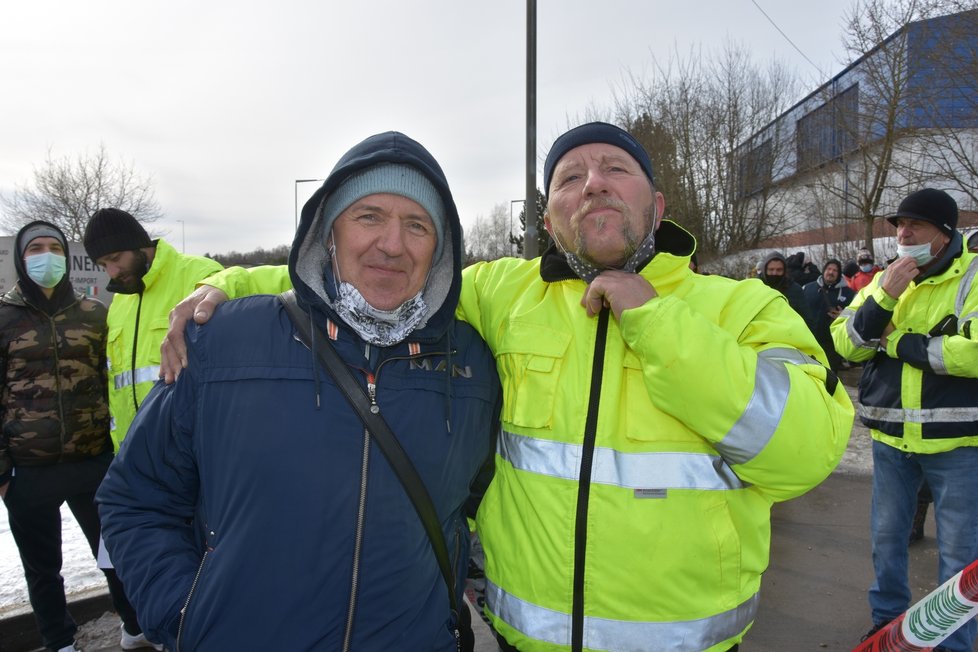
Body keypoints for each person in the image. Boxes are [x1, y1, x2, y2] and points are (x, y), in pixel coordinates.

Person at [161, 122, 853, 651]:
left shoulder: (742, 309)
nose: (594, 183)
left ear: (658, 201)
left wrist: (655, 320)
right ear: (549, 218)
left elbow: (800, 456)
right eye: (570, 177)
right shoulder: (501, 294)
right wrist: (223, 284)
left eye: (616, 169)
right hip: (526, 642)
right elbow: (368, 282)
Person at [96, 132, 501, 650]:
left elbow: (466, 510)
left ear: (440, 248)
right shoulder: (225, 340)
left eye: (417, 225)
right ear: (327, 231)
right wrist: (184, 613)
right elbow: (136, 497)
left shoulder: (470, 366)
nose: (393, 244)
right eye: (369, 216)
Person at [831, 188, 978, 652]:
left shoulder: (972, 277)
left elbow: (971, 352)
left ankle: (952, 642)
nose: (903, 233)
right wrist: (883, 301)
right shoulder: (888, 278)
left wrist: (896, 343)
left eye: (915, 225)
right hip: (892, 437)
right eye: (898, 225)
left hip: (957, 441)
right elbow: (845, 343)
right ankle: (887, 626)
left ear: (945, 234)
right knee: (886, 539)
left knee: (958, 554)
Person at [0, 222, 157, 652]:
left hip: (93, 462)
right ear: (20, 257)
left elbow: (114, 380)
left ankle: (135, 626)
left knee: (115, 556)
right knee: (42, 569)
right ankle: (59, 640)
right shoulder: (4, 318)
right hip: (29, 470)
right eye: (36, 248)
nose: (46, 255)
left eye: (54, 247)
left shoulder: (94, 314)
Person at [82, 209, 222, 449]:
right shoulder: (119, 302)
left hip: (190, 452)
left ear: (139, 244)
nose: (112, 272)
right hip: (131, 454)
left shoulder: (202, 276)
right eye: (103, 264)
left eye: (115, 258)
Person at [802, 259, 855, 372]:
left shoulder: (849, 294)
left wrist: (844, 316)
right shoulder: (807, 289)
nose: (831, 272)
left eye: (835, 270)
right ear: (823, 270)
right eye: (829, 269)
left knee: (829, 378)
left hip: (832, 346)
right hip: (808, 342)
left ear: (839, 273)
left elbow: (857, 316)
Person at [759, 251, 815, 328]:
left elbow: (807, 319)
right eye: (771, 269)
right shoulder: (756, 287)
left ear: (784, 271)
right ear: (765, 270)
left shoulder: (795, 290)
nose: (774, 273)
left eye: (779, 270)